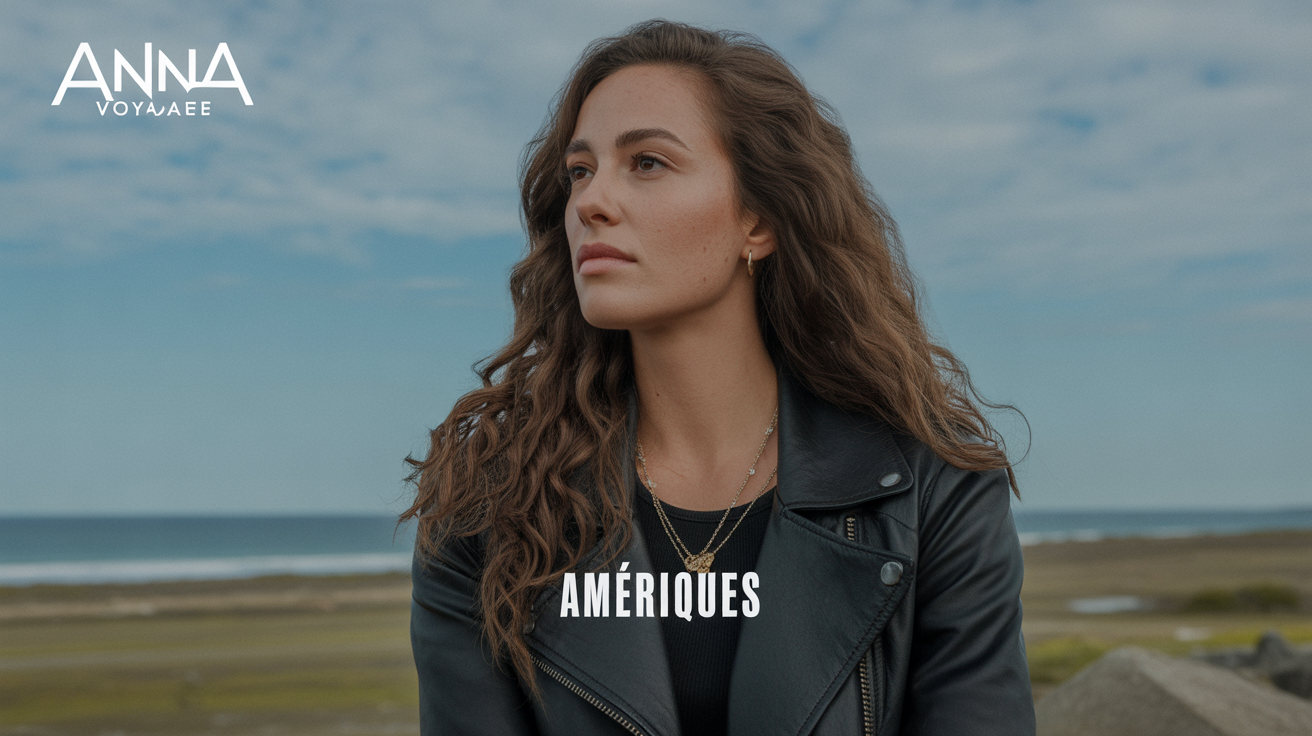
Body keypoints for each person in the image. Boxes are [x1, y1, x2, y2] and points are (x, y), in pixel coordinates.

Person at [402, 19, 1034, 736]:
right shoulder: (488, 502)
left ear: (757, 222)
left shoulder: (932, 490)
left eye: (646, 163)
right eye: (581, 170)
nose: (589, 202)